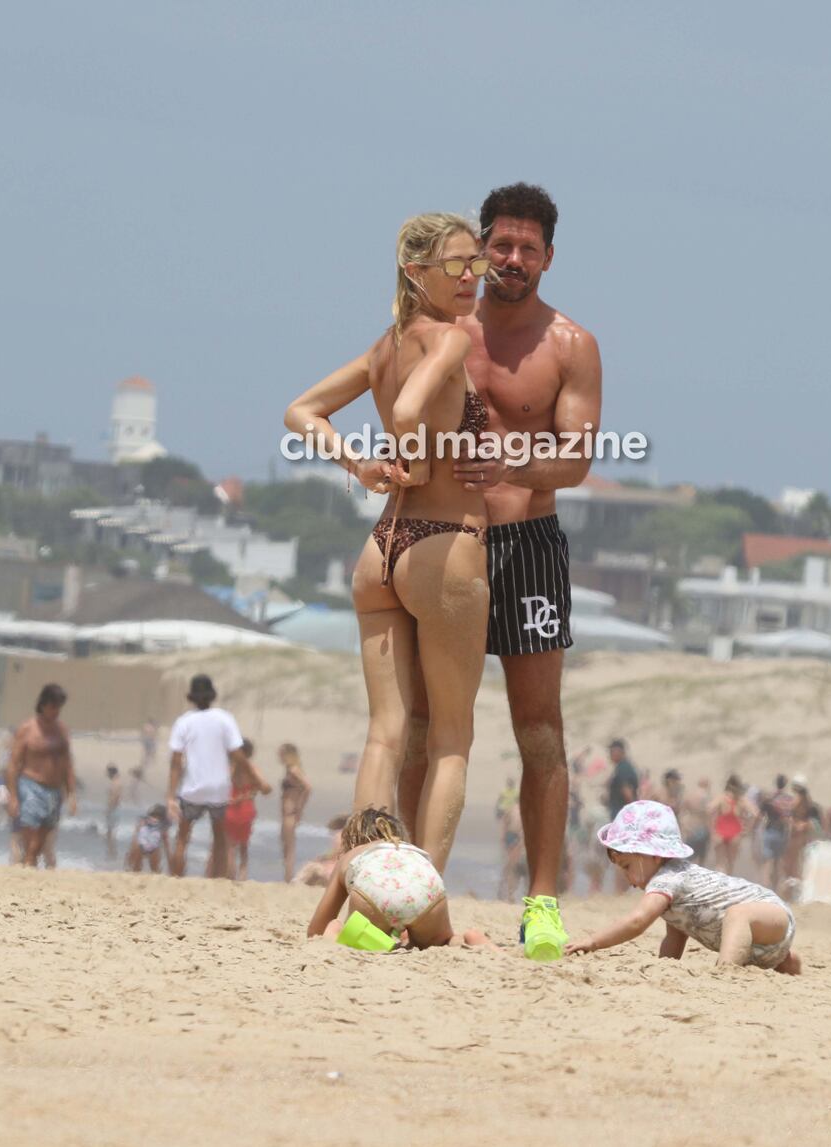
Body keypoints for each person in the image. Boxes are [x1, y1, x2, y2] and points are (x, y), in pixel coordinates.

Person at [389, 184, 604, 958]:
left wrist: (515, 455)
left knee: (539, 731)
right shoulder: (444, 328)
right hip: (447, 541)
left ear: (549, 256)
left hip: (529, 548)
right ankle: (400, 891)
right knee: (421, 728)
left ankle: (541, 903)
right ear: (479, 248)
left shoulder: (570, 345)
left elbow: (577, 458)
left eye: (528, 248)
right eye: (500, 246)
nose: (511, 261)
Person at [283, 213, 492, 890]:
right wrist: (420, 463)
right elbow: (407, 413)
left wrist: (360, 467)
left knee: (384, 733)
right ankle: (418, 900)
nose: (469, 278)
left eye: (476, 264)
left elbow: (301, 411)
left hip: (381, 548)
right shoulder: (451, 341)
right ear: (415, 272)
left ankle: (357, 881)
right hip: (443, 545)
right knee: (451, 740)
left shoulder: (384, 345)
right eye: (455, 265)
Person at [566, 801, 800, 974]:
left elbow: (638, 921)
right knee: (742, 928)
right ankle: (787, 961)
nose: (628, 878)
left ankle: (727, 972)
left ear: (654, 855)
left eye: (627, 866)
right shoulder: (675, 893)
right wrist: (664, 969)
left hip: (769, 912)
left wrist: (594, 942)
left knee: (738, 914)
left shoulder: (668, 879)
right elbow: (675, 937)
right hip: (764, 943)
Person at [307, 807, 493, 951]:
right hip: (427, 887)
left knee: (343, 930)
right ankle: (469, 939)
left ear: (354, 840)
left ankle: (341, 934)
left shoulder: (354, 855)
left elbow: (316, 928)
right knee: (442, 942)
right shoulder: (410, 851)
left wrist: (329, 928)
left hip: (375, 892)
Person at [166, 674, 256, 880]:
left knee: (182, 837)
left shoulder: (184, 722)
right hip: (218, 787)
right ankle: (218, 879)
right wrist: (256, 778)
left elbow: (175, 762)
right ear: (212, 695)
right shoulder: (225, 718)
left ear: (191, 697)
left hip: (192, 787)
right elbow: (237, 754)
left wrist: (170, 795)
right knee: (219, 838)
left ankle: (176, 878)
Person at [5, 684, 76, 869]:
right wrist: (13, 796)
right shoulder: (27, 729)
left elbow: (67, 763)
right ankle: (28, 865)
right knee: (31, 836)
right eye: (53, 707)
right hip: (31, 785)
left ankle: (28, 865)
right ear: (43, 704)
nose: (56, 712)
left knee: (41, 841)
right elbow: (13, 764)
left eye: (59, 707)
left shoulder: (62, 730)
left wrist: (72, 794)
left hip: (54, 790)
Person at [220, 739, 273, 882]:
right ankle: (242, 878)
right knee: (243, 848)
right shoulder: (252, 769)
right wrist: (253, 789)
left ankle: (230, 878)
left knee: (230, 847)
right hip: (246, 808)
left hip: (230, 807)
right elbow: (267, 789)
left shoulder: (231, 768)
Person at [277, 743, 313, 882]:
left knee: (289, 847)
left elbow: (308, 787)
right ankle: (287, 876)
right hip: (287, 813)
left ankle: (288, 878)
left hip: (291, 812)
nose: (279, 757)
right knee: (285, 846)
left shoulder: (293, 770)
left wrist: (299, 807)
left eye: (281, 754)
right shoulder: (289, 770)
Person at [709, 775, 756, 876]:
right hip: (735, 832)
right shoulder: (741, 800)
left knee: (719, 864)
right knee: (730, 864)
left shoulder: (722, 798)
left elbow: (709, 809)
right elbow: (755, 814)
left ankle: (718, 887)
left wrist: (712, 828)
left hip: (720, 830)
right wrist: (747, 829)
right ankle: (728, 888)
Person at [756, 775, 795, 891]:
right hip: (782, 832)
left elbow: (759, 815)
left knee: (767, 863)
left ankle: (765, 890)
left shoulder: (769, 798)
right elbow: (790, 818)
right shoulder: (788, 800)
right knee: (778, 863)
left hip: (769, 831)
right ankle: (776, 890)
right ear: (785, 784)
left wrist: (753, 828)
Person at [126, 805, 169, 874]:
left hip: (140, 846)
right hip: (154, 848)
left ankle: (134, 871)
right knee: (155, 869)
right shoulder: (163, 826)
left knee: (136, 868)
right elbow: (166, 845)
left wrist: (129, 859)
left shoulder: (143, 822)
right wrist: (170, 862)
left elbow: (135, 839)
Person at [604, 739, 639, 818]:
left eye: (612, 751)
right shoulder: (622, 767)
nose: (610, 754)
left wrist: (633, 814)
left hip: (623, 815)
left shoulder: (623, 768)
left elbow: (627, 792)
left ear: (619, 751)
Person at [104, 765, 124, 859]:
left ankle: (111, 851)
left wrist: (109, 809)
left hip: (114, 809)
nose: (107, 774)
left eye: (108, 772)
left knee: (110, 832)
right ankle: (111, 851)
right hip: (115, 808)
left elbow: (115, 797)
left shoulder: (115, 783)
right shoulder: (117, 782)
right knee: (111, 831)